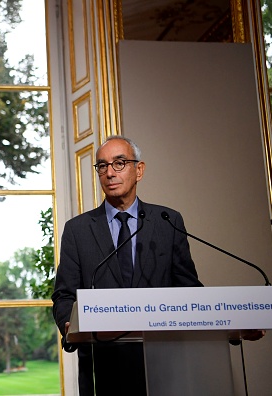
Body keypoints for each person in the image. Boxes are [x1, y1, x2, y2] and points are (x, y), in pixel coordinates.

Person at [52, 135, 203, 395]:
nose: (110, 172)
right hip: (102, 364)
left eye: (119, 163)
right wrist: (69, 324)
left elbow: (188, 287)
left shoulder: (167, 221)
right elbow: (65, 294)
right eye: (102, 166)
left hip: (163, 363)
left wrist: (232, 323)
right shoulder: (77, 230)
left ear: (139, 170)